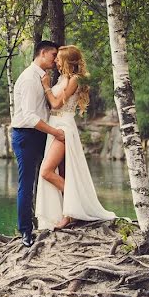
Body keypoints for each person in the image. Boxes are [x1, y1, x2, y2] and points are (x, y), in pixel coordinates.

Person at [35, 45, 116, 230]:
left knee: (46, 172)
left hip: (63, 128)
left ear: (67, 61)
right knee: (63, 172)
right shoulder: (63, 78)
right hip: (54, 126)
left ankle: (77, 205)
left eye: (58, 58)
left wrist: (46, 87)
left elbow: (55, 104)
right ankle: (68, 214)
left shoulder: (74, 80)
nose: (55, 61)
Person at [11, 40, 66, 247]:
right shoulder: (27, 79)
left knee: (48, 176)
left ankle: (59, 216)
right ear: (42, 53)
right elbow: (29, 117)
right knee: (26, 183)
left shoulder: (43, 78)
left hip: (42, 134)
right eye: (53, 56)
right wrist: (55, 132)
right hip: (26, 136)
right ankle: (25, 230)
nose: (55, 60)